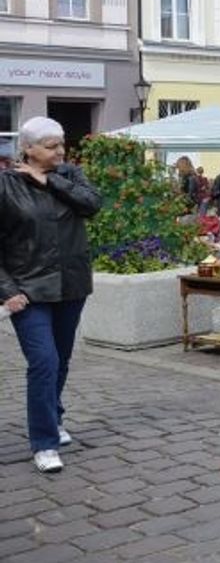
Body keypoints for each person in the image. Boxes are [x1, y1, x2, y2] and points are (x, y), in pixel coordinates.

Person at [0, 117, 102, 473]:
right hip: (28, 290)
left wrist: (50, 180)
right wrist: (7, 290)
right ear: (28, 149)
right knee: (43, 362)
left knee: (60, 359)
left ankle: (54, 416)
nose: (60, 151)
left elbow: (92, 204)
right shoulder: (6, 185)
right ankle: (44, 443)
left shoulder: (70, 175)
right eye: (50, 146)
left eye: (61, 143)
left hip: (71, 286)